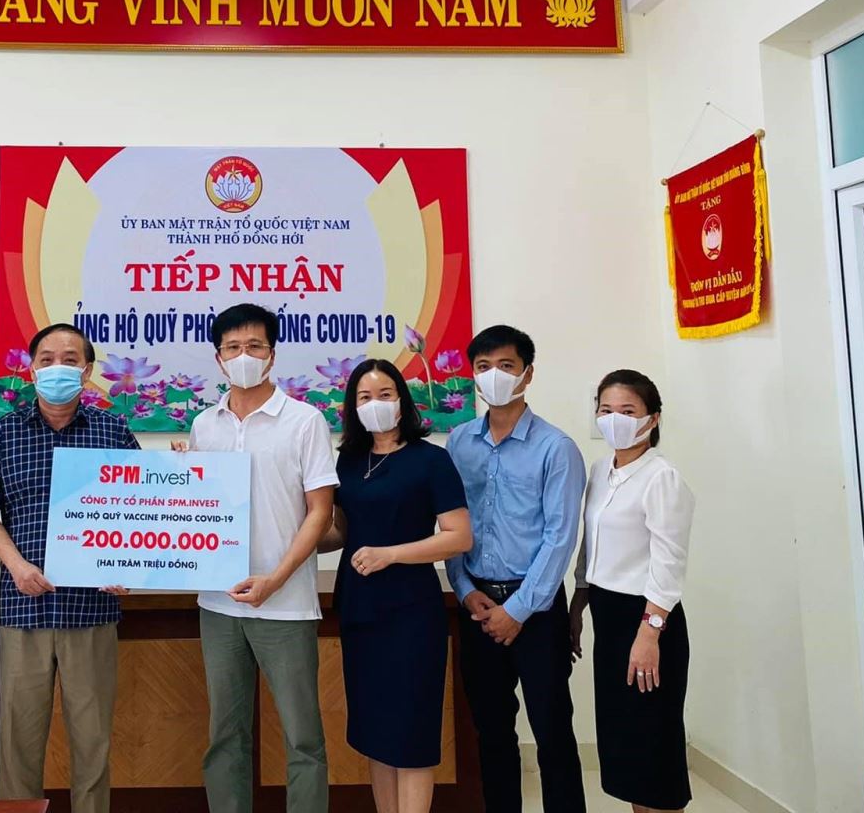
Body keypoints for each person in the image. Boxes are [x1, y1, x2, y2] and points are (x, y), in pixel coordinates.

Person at [0, 323, 140, 813]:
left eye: (69, 359)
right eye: (46, 359)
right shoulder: (5, 431)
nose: (57, 368)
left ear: (86, 371)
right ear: (31, 369)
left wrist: (128, 564)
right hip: (26, 609)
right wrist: (16, 566)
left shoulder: (112, 429)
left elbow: (142, 507)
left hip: (92, 610)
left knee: (93, 742)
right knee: (18, 741)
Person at [183, 303, 337, 813]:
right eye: (232, 347)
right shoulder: (204, 424)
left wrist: (275, 578)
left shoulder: (305, 421)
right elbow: (195, 509)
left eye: (254, 346)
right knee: (225, 736)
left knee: (302, 738)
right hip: (218, 602)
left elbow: (319, 512)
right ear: (218, 358)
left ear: (272, 354)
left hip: (286, 604)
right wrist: (177, 477)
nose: (243, 355)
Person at [444, 325, 587, 813]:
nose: (494, 376)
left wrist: (519, 609)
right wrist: (464, 589)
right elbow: (453, 524)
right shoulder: (459, 442)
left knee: (552, 730)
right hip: (478, 605)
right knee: (491, 730)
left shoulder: (556, 447)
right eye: (483, 367)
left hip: (537, 608)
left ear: (528, 374)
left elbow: (560, 537)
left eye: (506, 366)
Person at [319, 358, 471, 813]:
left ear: (402, 401)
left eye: (385, 394)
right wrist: (292, 540)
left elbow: (458, 537)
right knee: (375, 731)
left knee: (411, 731)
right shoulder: (349, 460)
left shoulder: (432, 459)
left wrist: (390, 553)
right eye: (364, 397)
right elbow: (342, 532)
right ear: (353, 407)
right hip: (360, 608)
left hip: (411, 611)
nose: (376, 404)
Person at [570, 371, 696, 813]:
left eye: (628, 411)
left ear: (652, 418)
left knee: (652, 750)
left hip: (646, 621)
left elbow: (669, 561)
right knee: (626, 747)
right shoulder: (600, 471)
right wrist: (578, 605)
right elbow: (591, 545)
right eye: (606, 410)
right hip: (607, 617)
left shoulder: (662, 477)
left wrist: (649, 633)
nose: (615, 420)